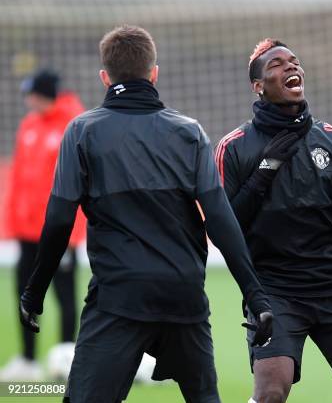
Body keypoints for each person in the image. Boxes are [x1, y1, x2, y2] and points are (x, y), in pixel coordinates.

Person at [18, 25, 273, 403]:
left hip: (119, 300)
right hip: (183, 297)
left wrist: (34, 292)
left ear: (105, 77)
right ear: (154, 72)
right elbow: (220, 219)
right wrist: (257, 296)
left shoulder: (81, 132)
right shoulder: (189, 132)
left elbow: (58, 221)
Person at [216, 38, 332, 403]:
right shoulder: (235, 146)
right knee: (271, 390)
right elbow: (227, 228)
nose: (290, 67)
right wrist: (264, 173)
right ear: (258, 87)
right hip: (273, 288)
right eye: (276, 65)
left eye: (294, 62)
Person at [0, 69, 86, 381]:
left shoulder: (73, 124)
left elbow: (78, 184)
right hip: (26, 231)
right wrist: (12, 220)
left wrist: (72, 232)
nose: (27, 100)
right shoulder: (28, 126)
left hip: (58, 231)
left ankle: (67, 359)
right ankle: (28, 360)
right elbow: (20, 178)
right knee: (24, 294)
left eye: (32, 93)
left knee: (65, 296)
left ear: (45, 94)